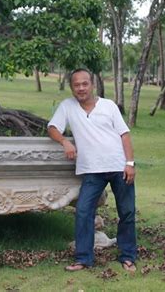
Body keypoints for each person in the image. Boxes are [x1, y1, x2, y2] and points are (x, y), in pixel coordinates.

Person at [48, 68, 137, 272]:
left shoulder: (108, 106)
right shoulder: (67, 107)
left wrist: (130, 163)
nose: (81, 88)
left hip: (118, 166)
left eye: (84, 83)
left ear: (92, 84)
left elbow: (124, 135)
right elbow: (52, 127)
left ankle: (128, 256)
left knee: (127, 211)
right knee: (83, 211)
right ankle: (83, 258)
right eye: (76, 84)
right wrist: (65, 142)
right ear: (72, 87)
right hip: (92, 170)